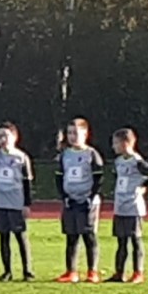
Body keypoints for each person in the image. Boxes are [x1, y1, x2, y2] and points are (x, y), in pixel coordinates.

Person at [109, 128, 148, 284]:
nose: (113, 146)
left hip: (133, 206)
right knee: (121, 241)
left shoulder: (136, 161)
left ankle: (138, 273)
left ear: (126, 143)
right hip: (120, 206)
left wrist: (144, 185)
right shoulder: (118, 161)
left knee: (135, 240)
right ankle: (119, 273)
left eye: (116, 143)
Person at [56, 117, 105, 284]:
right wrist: (64, 196)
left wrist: (91, 197)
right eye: (70, 133)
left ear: (85, 134)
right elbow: (59, 177)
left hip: (87, 202)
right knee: (71, 236)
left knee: (89, 236)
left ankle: (92, 271)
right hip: (70, 201)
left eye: (76, 133)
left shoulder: (92, 154)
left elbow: (99, 179)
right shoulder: (65, 155)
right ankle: (71, 271)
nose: (72, 137)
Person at [0, 122, 35, 282]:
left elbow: (27, 182)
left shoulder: (21, 157)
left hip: (16, 203)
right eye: (0, 136)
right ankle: (7, 271)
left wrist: (27, 204)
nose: (3, 139)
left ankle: (27, 271)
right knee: (3, 237)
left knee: (20, 236)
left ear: (14, 137)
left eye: (6, 136)